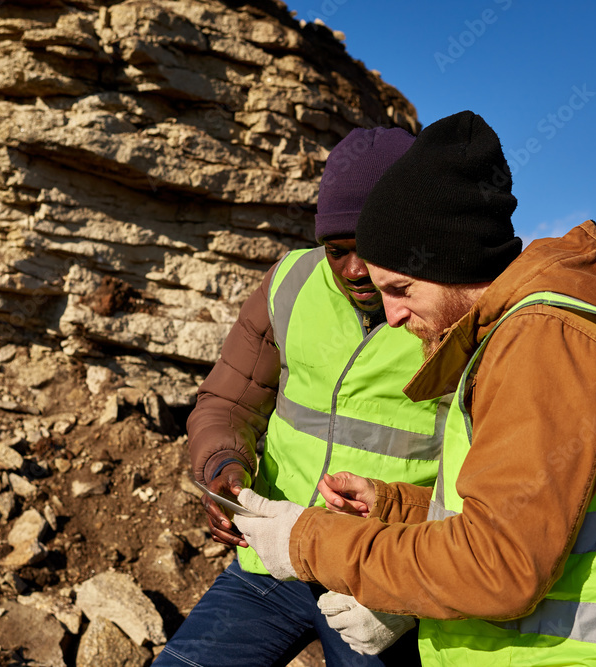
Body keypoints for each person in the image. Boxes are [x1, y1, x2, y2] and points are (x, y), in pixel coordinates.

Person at [233, 110, 596, 666]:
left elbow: (501, 566)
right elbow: (529, 516)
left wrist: (308, 541)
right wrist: (397, 507)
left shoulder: (545, 342)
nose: (394, 316)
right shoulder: (515, 338)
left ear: (452, 258)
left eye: (400, 288)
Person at [155, 127, 445, 666]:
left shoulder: (451, 312)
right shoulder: (289, 282)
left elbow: (487, 490)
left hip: (377, 582)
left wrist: (418, 591)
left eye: (372, 249)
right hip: (272, 558)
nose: (355, 271)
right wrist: (223, 465)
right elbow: (229, 403)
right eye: (337, 251)